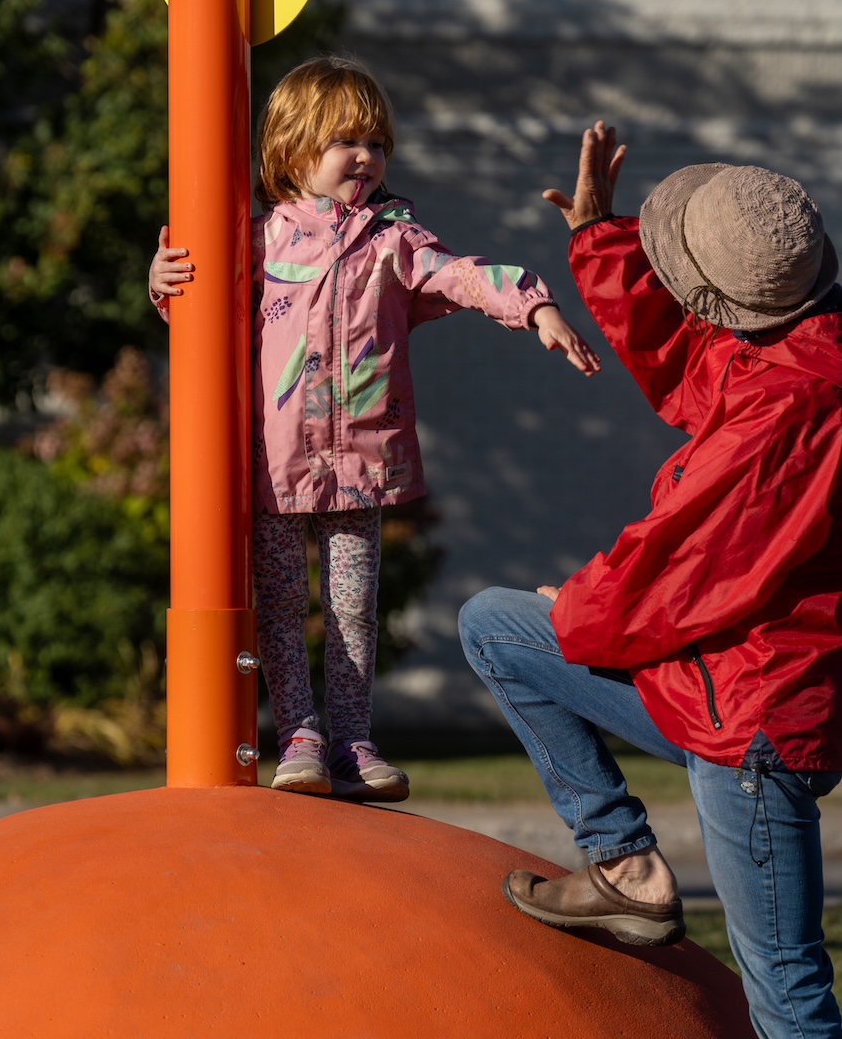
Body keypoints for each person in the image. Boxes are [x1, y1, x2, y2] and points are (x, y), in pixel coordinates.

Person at [459, 121, 841, 1038]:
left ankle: (627, 865)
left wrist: (585, 607)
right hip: (718, 689)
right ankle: (625, 864)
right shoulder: (799, 347)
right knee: (495, 628)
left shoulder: (781, 413)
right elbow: (689, 352)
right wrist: (600, 239)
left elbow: (683, 564)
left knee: (785, 992)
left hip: (752, 719)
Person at [149, 55, 601, 805]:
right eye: (345, 142)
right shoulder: (259, 240)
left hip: (358, 461)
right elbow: (200, 316)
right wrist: (162, 285)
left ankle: (354, 739)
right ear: (292, 150)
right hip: (275, 464)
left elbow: (459, 274)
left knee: (355, 606)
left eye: (377, 143)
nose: (365, 157)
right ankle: (299, 733)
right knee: (283, 605)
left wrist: (534, 306)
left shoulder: (393, 238)